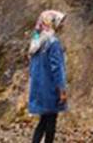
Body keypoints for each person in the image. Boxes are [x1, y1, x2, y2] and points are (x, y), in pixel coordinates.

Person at [28, 10, 68, 143]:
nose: (62, 25)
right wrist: (61, 90)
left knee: (43, 121)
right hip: (51, 89)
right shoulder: (53, 43)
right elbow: (57, 68)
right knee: (51, 123)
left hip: (39, 87)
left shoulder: (36, 43)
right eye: (60, 22)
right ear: (51, 23)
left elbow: (32, 68)